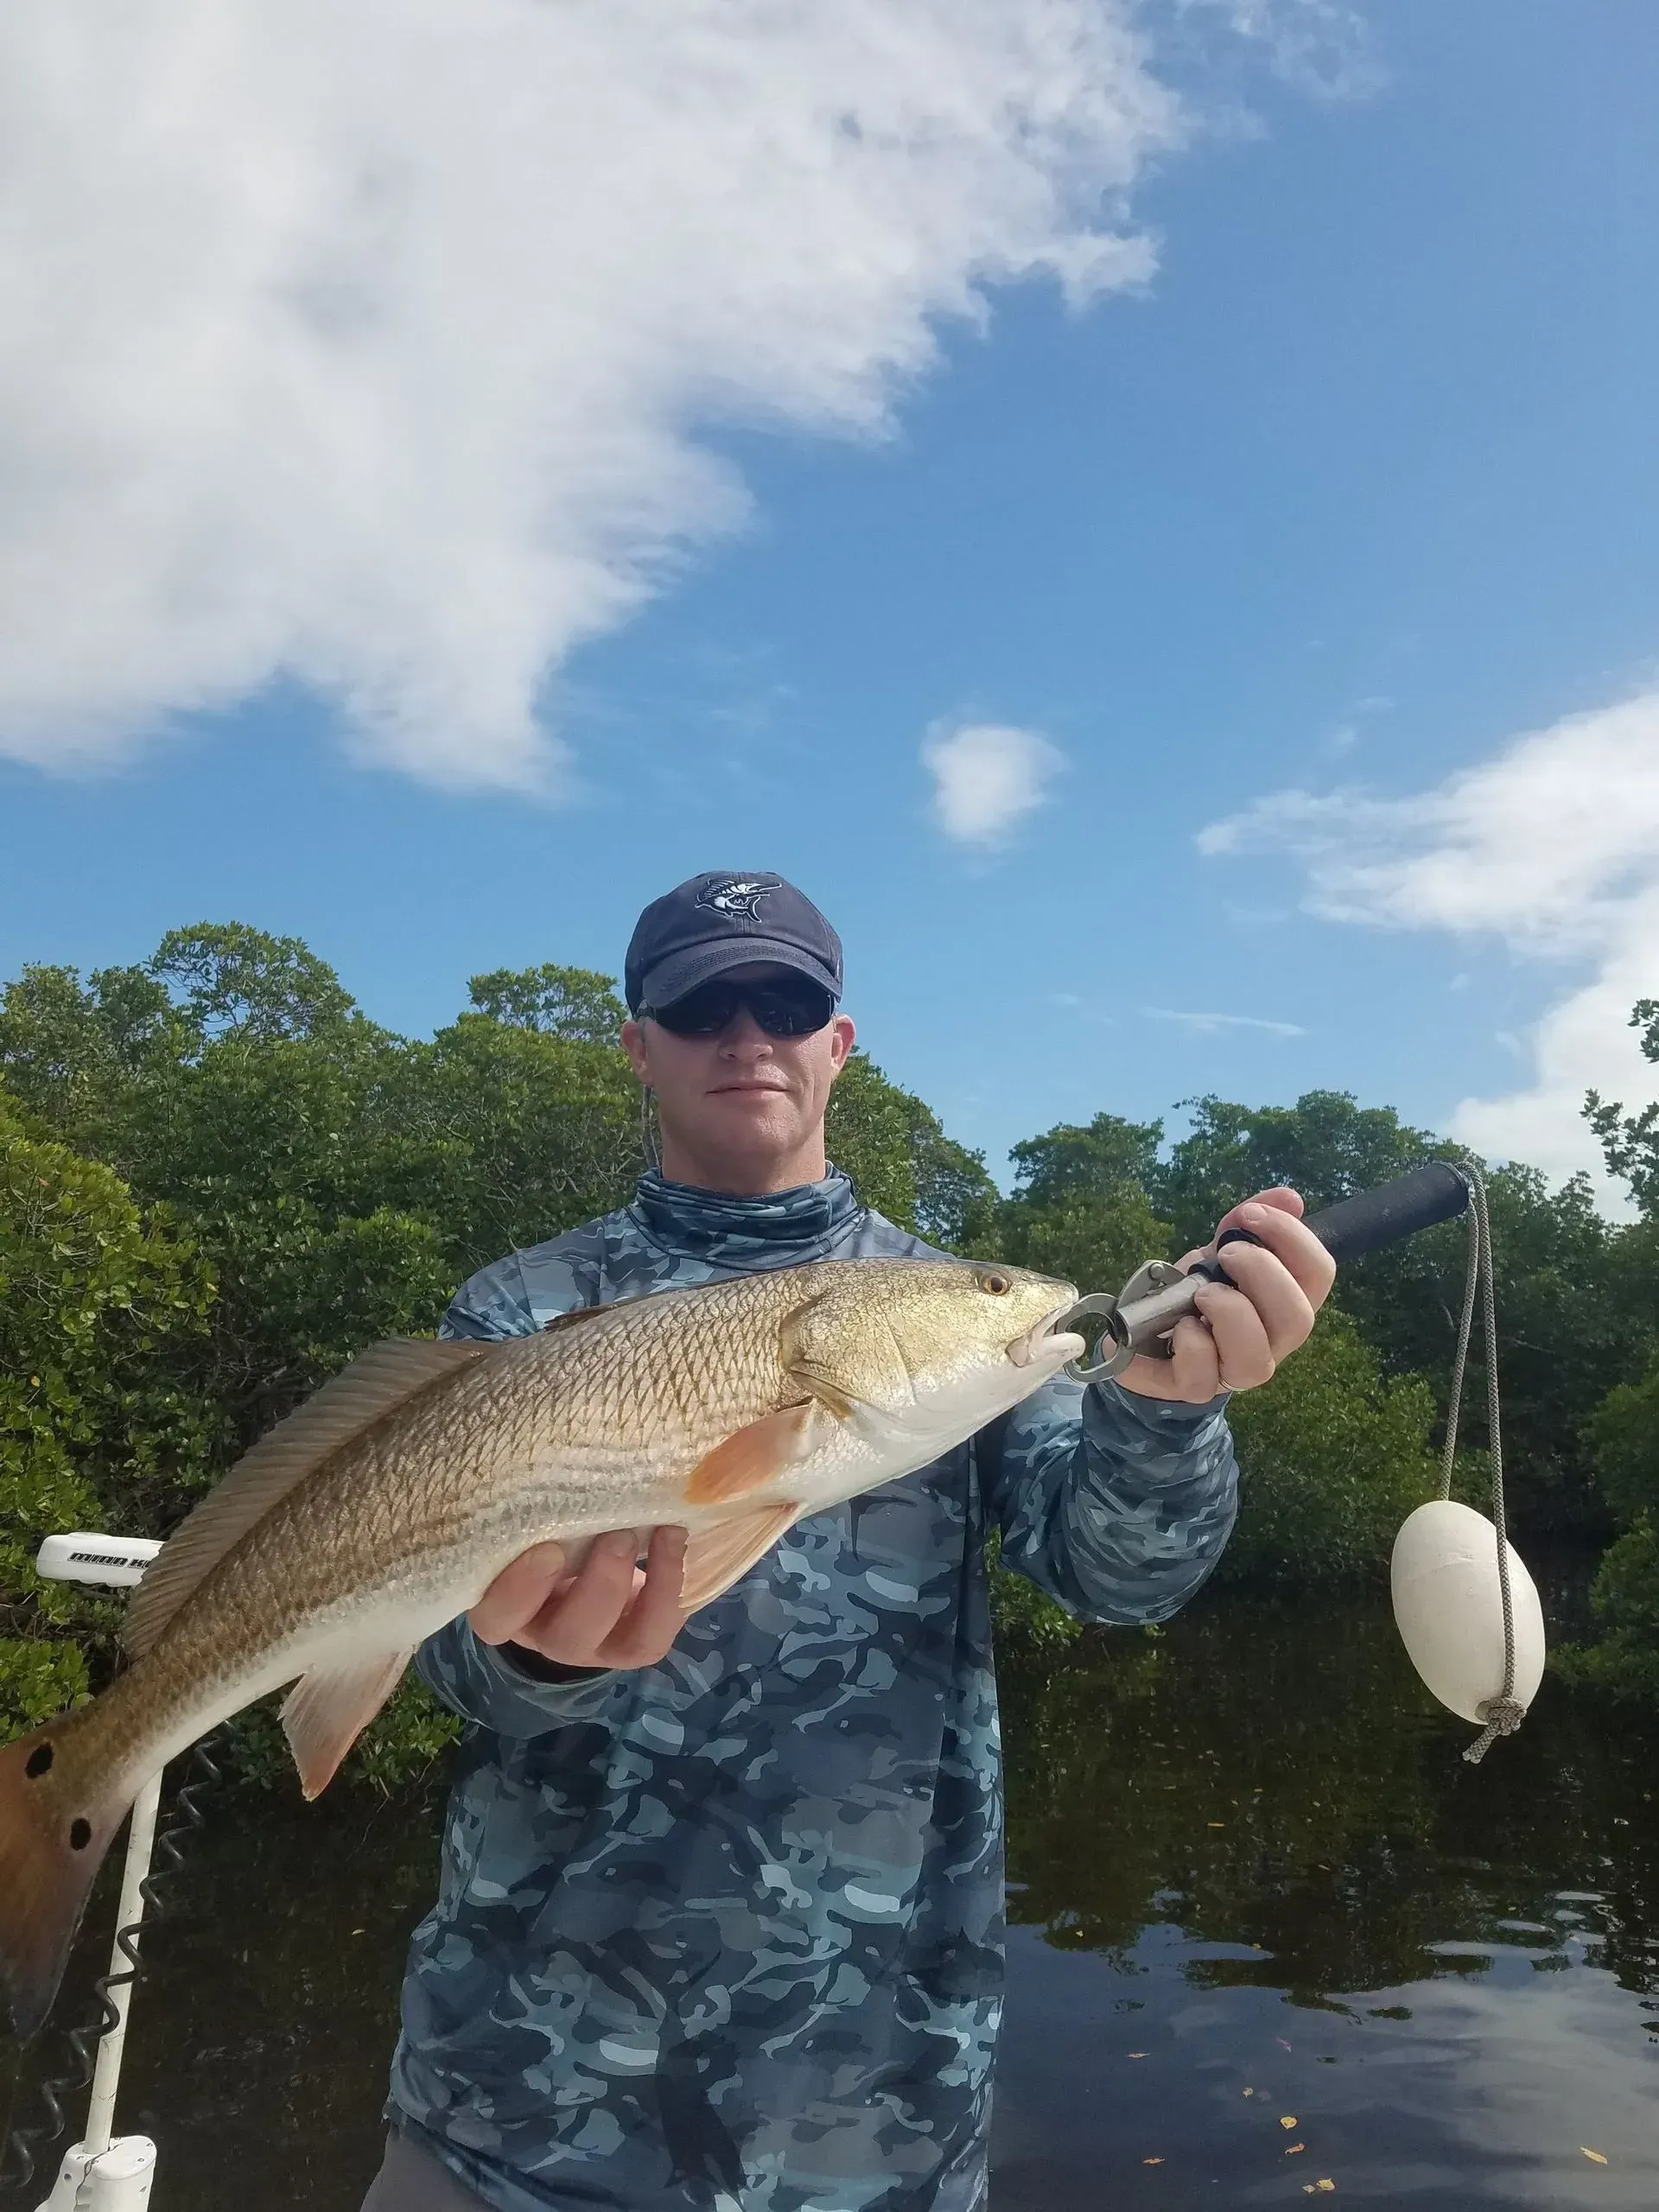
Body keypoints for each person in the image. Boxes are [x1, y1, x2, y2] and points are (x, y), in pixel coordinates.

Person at [361, 871, 1334, 2212]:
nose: (746, 1032)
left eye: (788, 999)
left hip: (871, 2116)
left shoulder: (952, 1314)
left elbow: (1121, 1577)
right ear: (639, 1043)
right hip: (522, 2102)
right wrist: (538, 1658)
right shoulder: (522, 1308)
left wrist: (1169, 1414)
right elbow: (444, 1665)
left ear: (841, 1041)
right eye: (702, 1003)